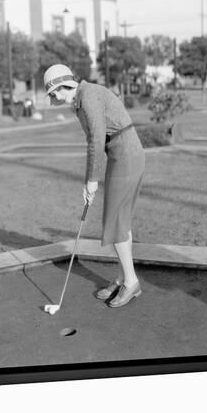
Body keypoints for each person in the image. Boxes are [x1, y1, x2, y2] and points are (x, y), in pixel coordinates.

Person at [44, 64, 145, 308]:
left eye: (54, 92)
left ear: (63, 86)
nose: (54, 97)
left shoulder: (87, 97)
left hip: (126, 157)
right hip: (123, 155)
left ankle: (131, 282)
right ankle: (123, 278)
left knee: (114, 223)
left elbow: (96, 141)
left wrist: (91, 181)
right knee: (118, 221)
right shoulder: (81, 99)